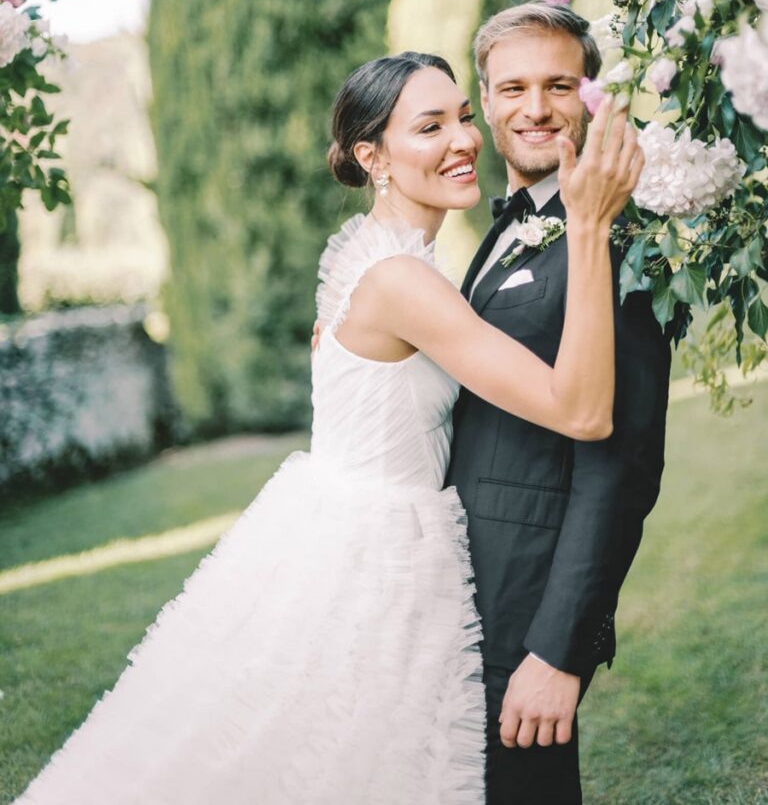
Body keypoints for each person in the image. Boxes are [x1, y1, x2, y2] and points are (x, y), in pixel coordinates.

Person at [14, 50, 641, 805]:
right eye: (430, 126)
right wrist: (589, 226)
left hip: (339, 521)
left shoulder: (372, 253)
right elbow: (580, 412)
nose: (463, 140)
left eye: (464, 118)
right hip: (377, 559)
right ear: (373, 156)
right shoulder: (400, 280)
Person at [445, 3, 671, 805]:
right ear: (486, 100)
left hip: (527, 606)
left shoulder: (620, 247)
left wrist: (559, 650)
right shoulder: (499, 229)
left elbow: (624, 464)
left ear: (592, 96)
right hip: (453, 586)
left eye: (558, 84)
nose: (535, 108)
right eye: (512, 87)